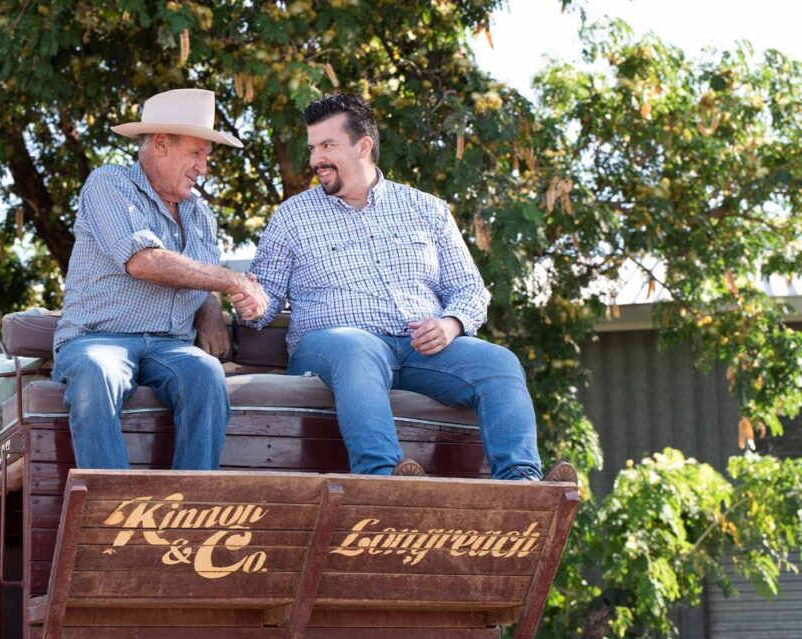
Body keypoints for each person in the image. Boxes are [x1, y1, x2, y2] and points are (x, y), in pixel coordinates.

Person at [240, 94, 542, 480]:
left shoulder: (425, 209)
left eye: (328, 146)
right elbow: (263, 303)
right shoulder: (292, 216)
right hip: (331, 348)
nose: (316, 158)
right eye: (313, 147)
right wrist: (250, 304)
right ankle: (383, 479)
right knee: (357, 346)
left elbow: (470, 289)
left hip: (421, 350)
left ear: (363, 145)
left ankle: (522, 484)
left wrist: (450, 324)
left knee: (499, 363)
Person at [52, 88, 268, 470]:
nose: (204, 168)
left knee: (206, 374)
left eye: (206, 157)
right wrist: (233, 282)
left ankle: (190, 507)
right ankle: (111, 507)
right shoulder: (109, 184)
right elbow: (144, 261)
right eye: (196, 154)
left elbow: (200, 276)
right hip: (99, 339)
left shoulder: (201, 214)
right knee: (96, 370)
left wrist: (210, 309)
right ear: (162, 144)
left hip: (171, 345)